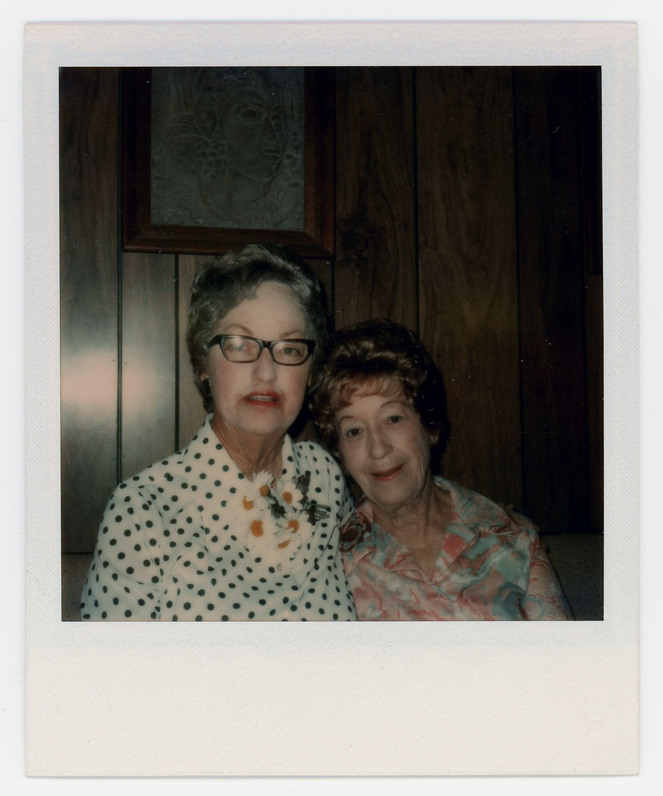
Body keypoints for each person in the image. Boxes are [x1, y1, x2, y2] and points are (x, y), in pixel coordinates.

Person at [80, 244, 356, 621]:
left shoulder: (324, 476)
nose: (265, 371)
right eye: (239, 344)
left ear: (309, 373)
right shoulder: (144, 509)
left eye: (290, 348)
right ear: (204, 366)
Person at [310, 319, 572, 621]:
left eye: (393, 419)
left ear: (430, 428)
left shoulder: (513, 537)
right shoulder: (328, 563)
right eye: (354, 431)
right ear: (340, 454)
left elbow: (565, 664)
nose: (378, 448)